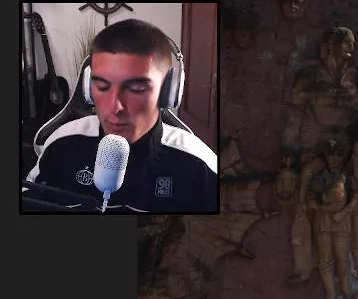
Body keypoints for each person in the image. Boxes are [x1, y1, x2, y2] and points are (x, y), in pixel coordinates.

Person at [25, 18, 218, 213]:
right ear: (89, 89)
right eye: (102, 86)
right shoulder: (61, 145)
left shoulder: (200, 167)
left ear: (169, 92)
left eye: (136, 89)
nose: (115, 106)